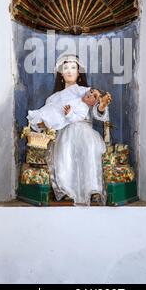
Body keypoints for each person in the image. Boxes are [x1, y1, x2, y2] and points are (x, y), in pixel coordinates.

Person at [35, 54, 112, 206]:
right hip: (65, 133)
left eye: (73, 67)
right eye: (65, 68)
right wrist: (43, 123)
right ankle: (66, 190)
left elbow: (98, 113)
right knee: (65, 152)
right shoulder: (53, 98)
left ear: (78, 72)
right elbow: (47, 118)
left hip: (85, 131)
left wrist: (102, 107)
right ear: (61, 74)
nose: (69, 71)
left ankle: (92, 189)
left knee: (89, 149)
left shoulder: (88, 92)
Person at [27, 87, 101, 131]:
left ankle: (41, 125)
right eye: (91, 91)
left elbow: (75, 118)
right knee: (46, 111)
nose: (90, 94)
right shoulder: (78, 95)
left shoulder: (84, 111)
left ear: (93, 104)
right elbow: (77, 90)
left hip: (61, 117)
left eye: (94, 96)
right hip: (57, 107)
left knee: (51, 120)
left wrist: (69, 113)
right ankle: (35, 120)